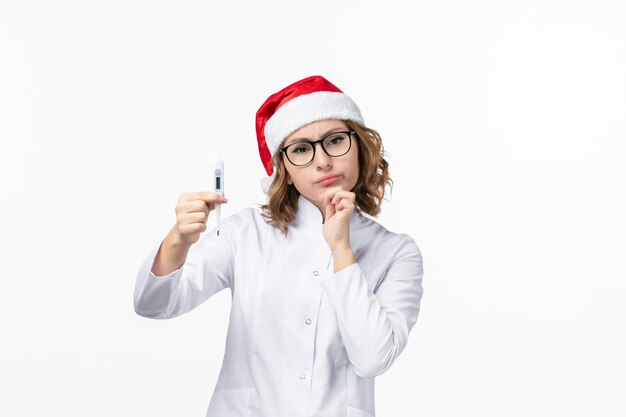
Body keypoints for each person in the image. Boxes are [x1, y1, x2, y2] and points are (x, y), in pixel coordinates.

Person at [134, 75, 424, 417]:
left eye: (334, 141)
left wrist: (341, 251)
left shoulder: (396, 252)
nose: (322, 161)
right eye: (301, 149)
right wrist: (179, 239)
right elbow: (153, 304)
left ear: (360, 146)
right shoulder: (246, 232)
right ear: (283, 167)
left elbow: (374, 357)